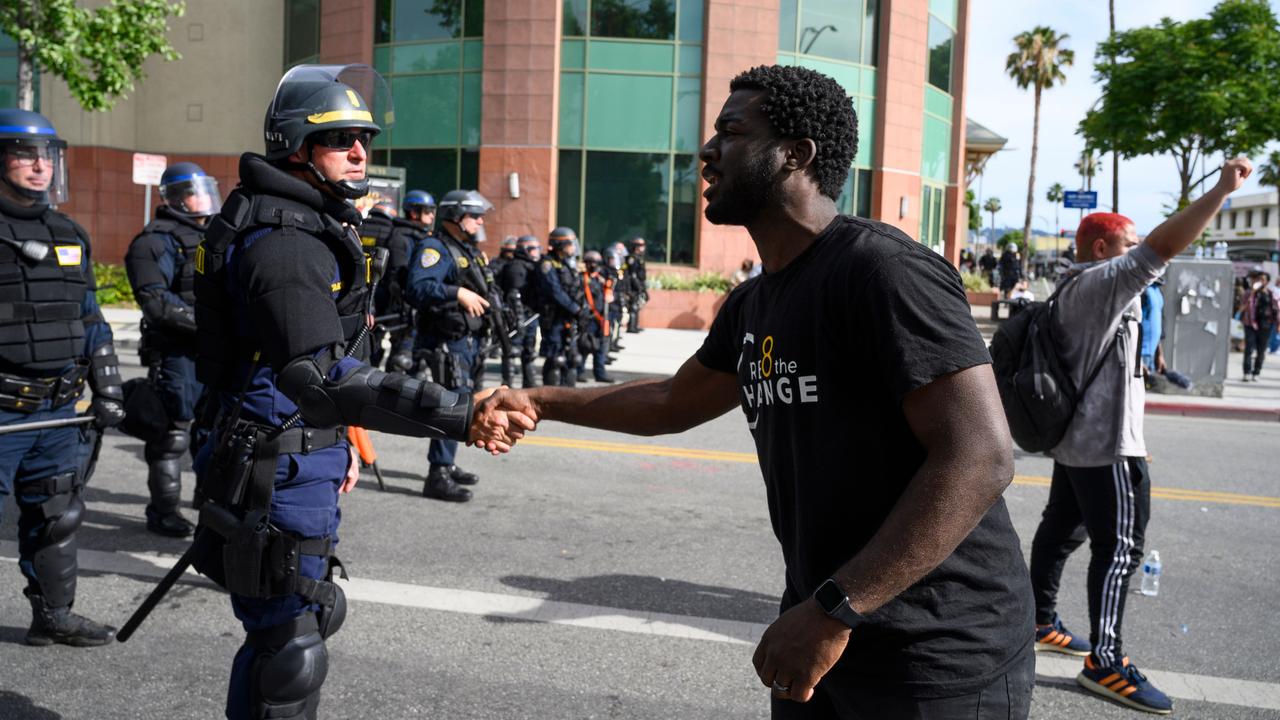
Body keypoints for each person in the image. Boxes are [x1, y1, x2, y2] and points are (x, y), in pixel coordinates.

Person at [481, 64, 1034, 718]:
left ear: (794, 155)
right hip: (817, 629)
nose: (707, 151)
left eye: (732, 132)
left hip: (937, 651)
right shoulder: (752, 303)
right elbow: (670, 404)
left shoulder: (881, 270)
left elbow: (979, 457)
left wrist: (834, 611)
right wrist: (539, 400)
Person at [190, 65, 530, 719]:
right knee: (290, 645)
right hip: (274, 462)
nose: (359, 152)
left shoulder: (302, 220)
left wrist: (341, 441)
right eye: (340, 138)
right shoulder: (287, 241)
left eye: (364, 138)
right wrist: (462, 415)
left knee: (297, 623)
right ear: (297, 145)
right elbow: (318, 375)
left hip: (294, 449)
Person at [1027, 158, 1250, 716]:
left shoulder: (1072, 287)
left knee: (1060, 533)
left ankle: (1039, 618)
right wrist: (1221, 189)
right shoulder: (1104, 282)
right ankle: (1106, 661)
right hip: (1104, 449)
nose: (1139, 250)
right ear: (1103, 250)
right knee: (1121, 550)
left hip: (1079, 444)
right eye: (1129, 242)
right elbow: (1164, 246)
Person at [0, 109, 125, 647]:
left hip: (57, 413)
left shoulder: (69, 233)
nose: (39, 165)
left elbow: (90, 318)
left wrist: (110, 386)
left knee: (57, 516)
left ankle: (53, 616)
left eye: (46, 154)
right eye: (25, 154)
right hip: (2, 411)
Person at [124, 161, 222, 537]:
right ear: (178, 199)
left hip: (213, 352)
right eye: (197, 192)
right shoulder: (154, 240)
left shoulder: (215, 235)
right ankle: (163, 512)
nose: (205, 199)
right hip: (177, 352)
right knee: (173, 434)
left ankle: (210, 510)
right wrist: (209, 325)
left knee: (213, 433)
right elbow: (156, 303)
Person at [405, 189, 499, 502]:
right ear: (456, 217)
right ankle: (438, 475)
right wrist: (457, 293)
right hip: (445, 340)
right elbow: (418, 286)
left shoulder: (465, 249)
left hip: (465, 340)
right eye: (474, 215)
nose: (480, 221)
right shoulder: (435, 247)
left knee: (463, 402)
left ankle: (447, 461)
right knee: (450, 404)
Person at [538, 227, 586, 387]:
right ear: (560, 245)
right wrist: (575, 309)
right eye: (570, 244)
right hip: (554, 318)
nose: (573, 248)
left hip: (569, 318)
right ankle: (549, 398)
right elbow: (555, 292)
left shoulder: (567, 264)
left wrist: (582, 307)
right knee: (555, 359)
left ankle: (568, 397)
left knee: (572, 358)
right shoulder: (547, 264)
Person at [497, 234, 543, 388]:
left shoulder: (530, 266)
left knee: (529, 352)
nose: (536, 253)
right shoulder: (516, 267)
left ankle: (529, 387)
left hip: (529, 314)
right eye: (533, 249)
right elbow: (514, 296)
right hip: (516, 316)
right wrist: (519, 320)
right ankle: (507, 387)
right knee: (512, 351)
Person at [575, 250, 615, 384]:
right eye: (590, 262)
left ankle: (600, 373)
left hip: (602, 318)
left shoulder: (600, 278)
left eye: (595, 263)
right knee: (585, 346)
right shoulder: (581, 278)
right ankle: (578, 372)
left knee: (601, 347)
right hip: (588, 319)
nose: (593, 265)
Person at [1241, 271, 1278, 381]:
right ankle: (1247, 372)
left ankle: (1256, 372)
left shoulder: (1271, 294)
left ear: (1267, 282)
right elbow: (1242, 307)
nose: (1260, 281)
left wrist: (1278, 324)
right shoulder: (1249, 292)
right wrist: (1252, 292)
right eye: (1259, 279)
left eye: (1263, 279)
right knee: (1248, 349)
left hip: (1265, 325)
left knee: (1261, 351)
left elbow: (1277, 309)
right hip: (1250, 324)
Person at [602, 241, 627, 353]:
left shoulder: (615, 272)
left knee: (615, 326)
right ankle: (606, 351)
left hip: (616, 303)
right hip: (609, 305)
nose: (614, 262)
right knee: (608, 329)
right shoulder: (604, 272)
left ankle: (611, 346)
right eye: (612, 259)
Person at [621, 236, 649, 332]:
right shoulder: (632, 258)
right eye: (641, 245)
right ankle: (631, 327)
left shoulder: (639, 257)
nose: (643, 247)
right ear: (636, 247)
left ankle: (635, 325)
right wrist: (638, 286)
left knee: (637, 305)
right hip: (633, 286)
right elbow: (632, 275)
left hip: (638, 284)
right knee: (633, 306)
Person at [1139, 279, 1166, 377]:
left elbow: (1158, 324)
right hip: (1139, 353)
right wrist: (1136, 358)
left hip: (1151, 353)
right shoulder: (1140, 290)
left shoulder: (1157, 291)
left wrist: (1160, 354)